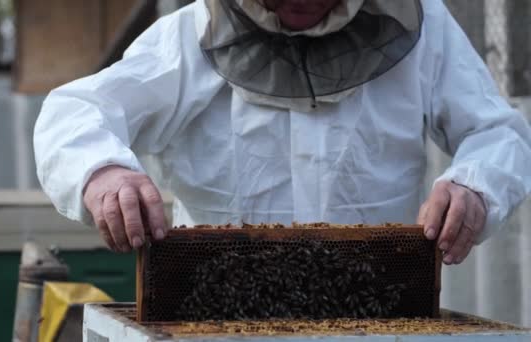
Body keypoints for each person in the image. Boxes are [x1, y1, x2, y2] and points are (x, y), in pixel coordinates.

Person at [34, 0, 531, 265]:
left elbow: (500, 133)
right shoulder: (188, 37)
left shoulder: (424, 28)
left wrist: (474, 187)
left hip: (376, 325)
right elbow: (75, 111)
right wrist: (102, 174)